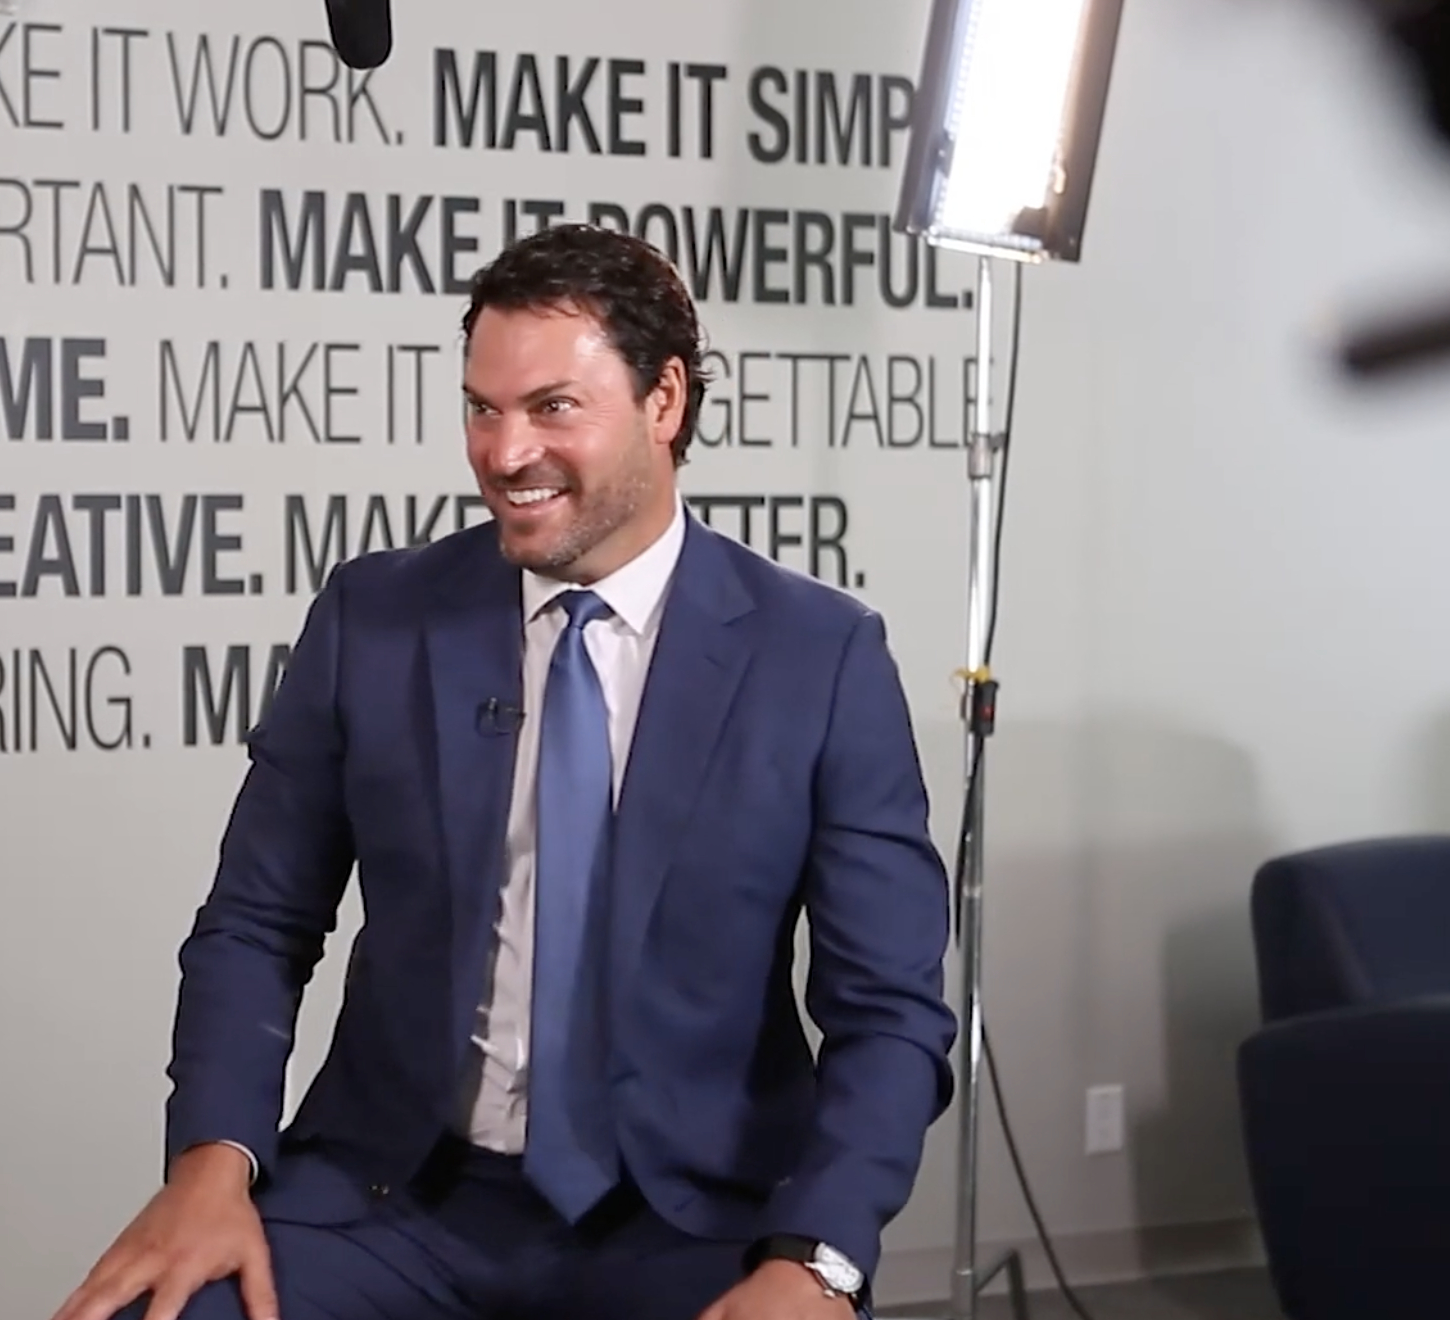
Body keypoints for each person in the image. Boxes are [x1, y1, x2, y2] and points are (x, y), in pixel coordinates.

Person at [54, 225, 957, 1320]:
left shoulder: (818, 657)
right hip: (394, 1203)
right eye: (483, 408)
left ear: (663, 401)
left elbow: (889, 1014)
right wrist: (211, 1159)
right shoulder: (374, 621)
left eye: (552, 409)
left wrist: (817, 1261)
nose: (504, 451)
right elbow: (255, 922)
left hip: (697, 1221)